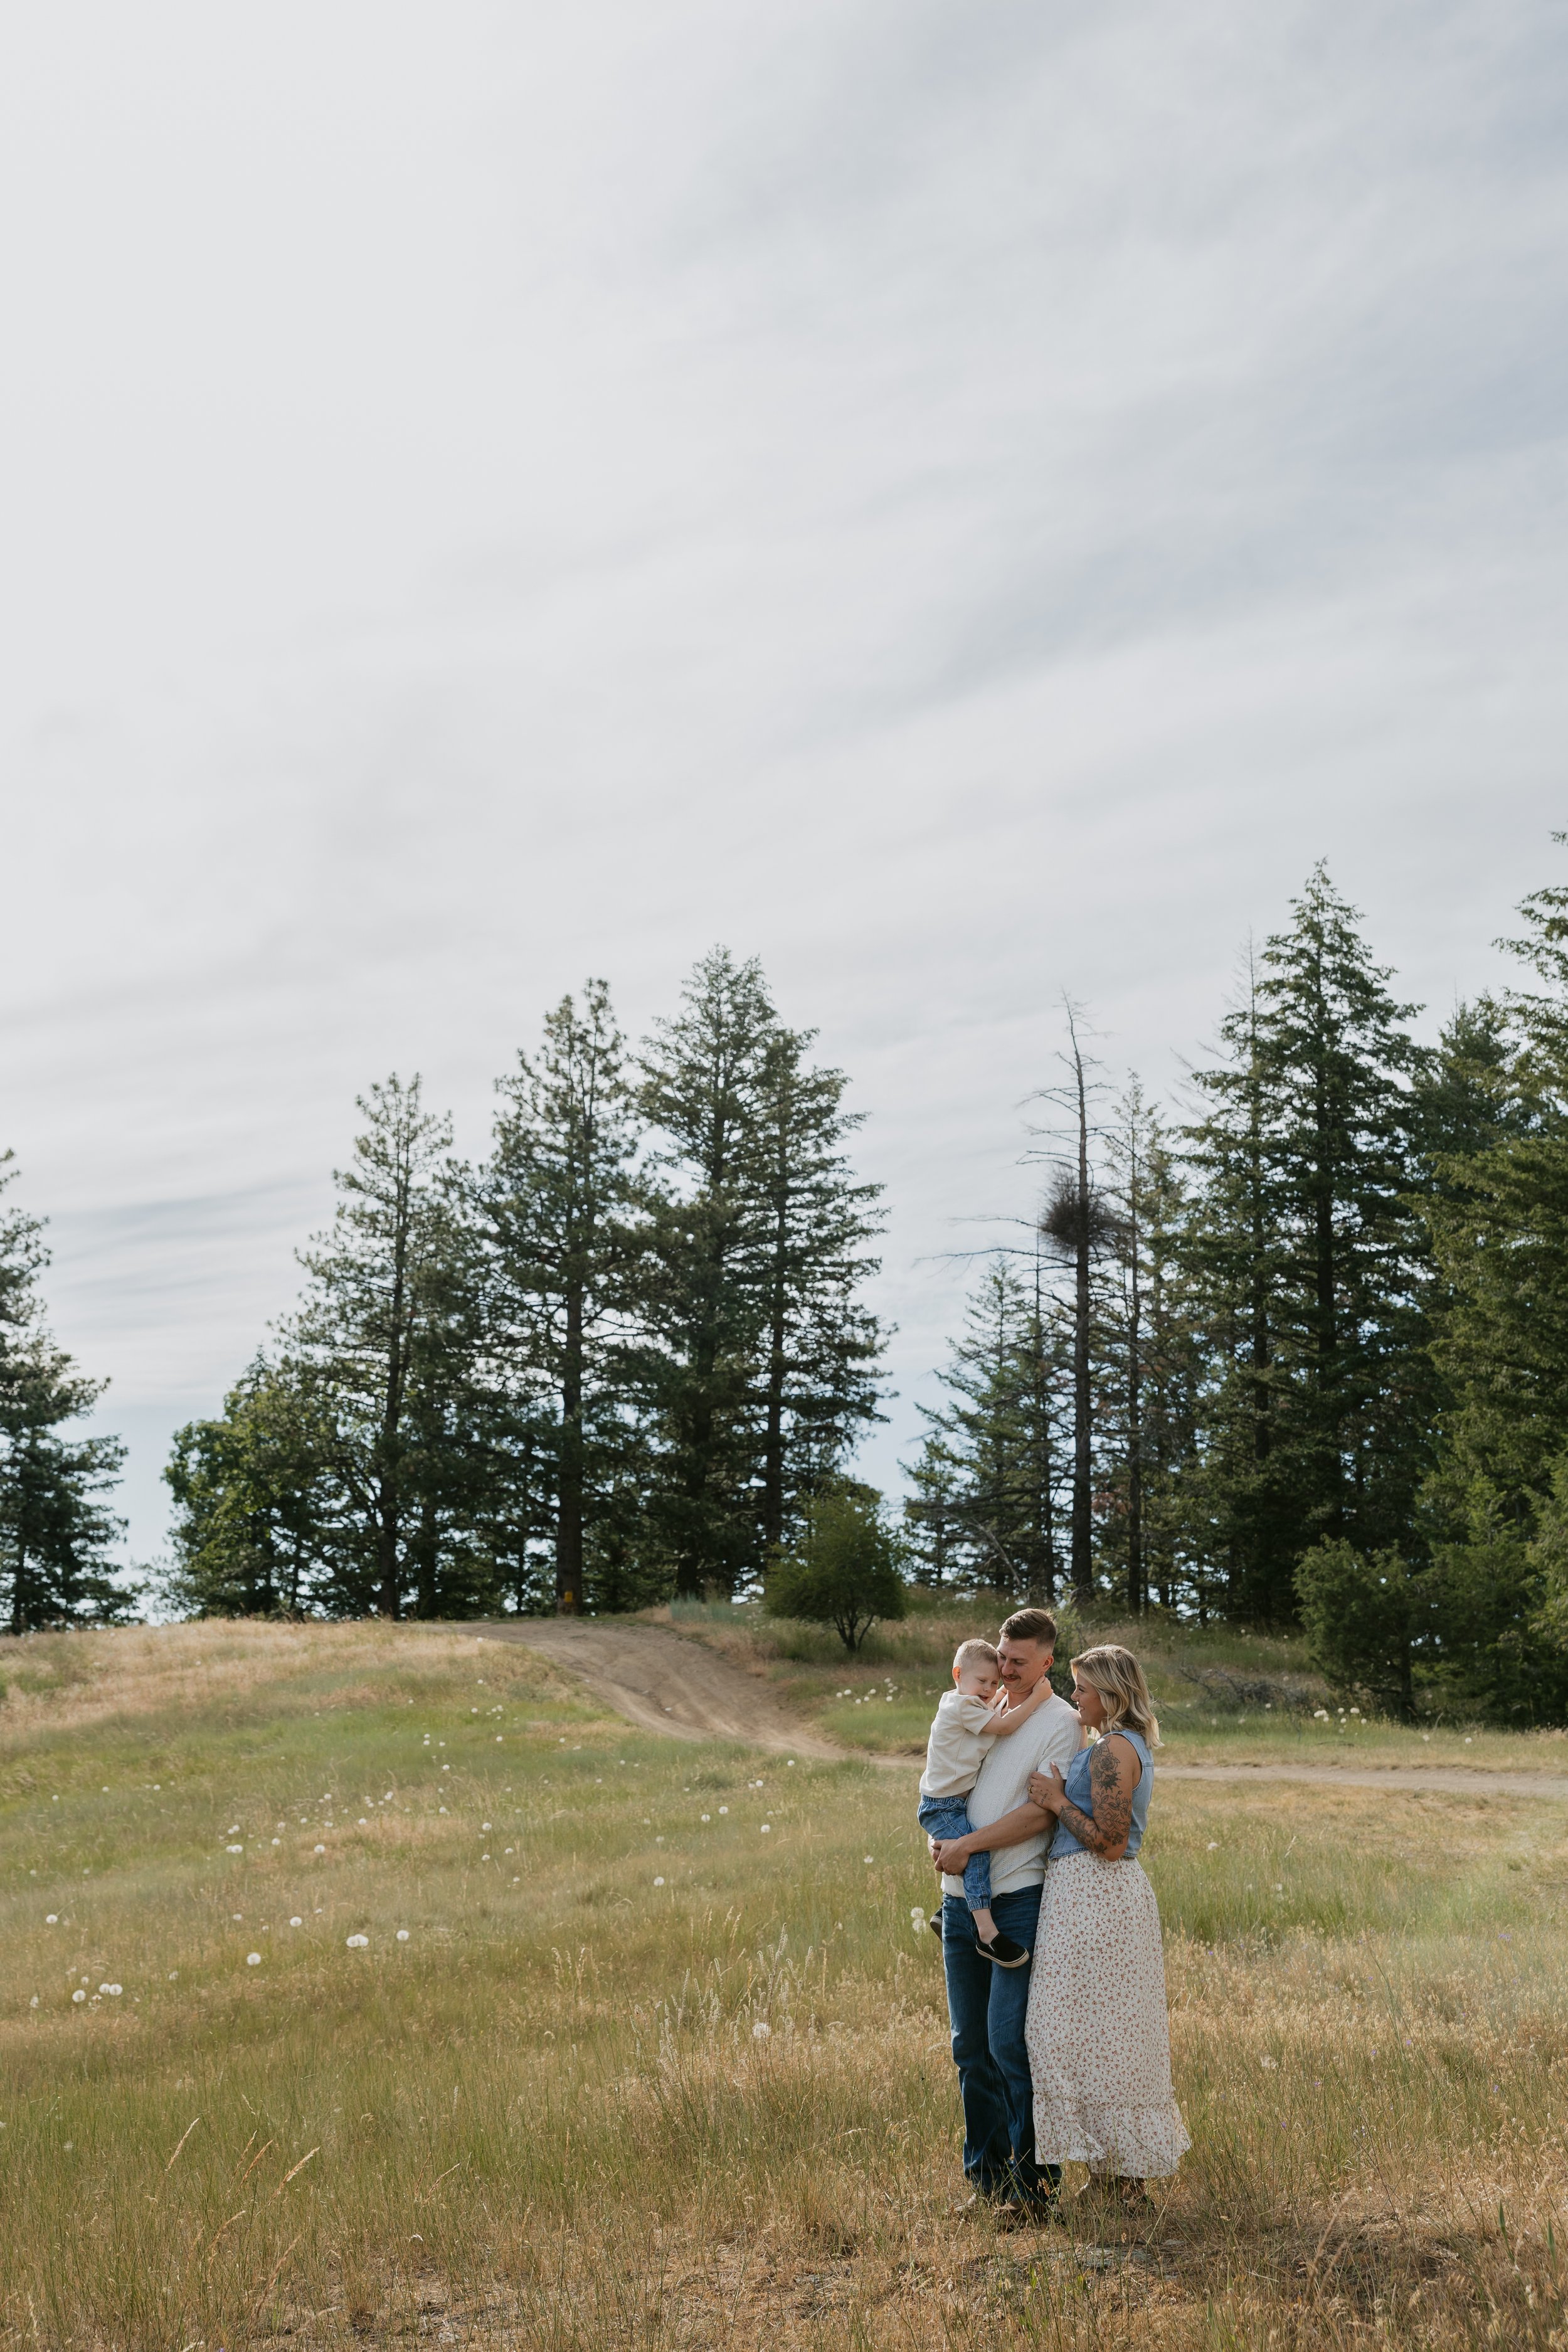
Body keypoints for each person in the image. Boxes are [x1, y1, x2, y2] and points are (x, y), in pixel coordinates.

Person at [926, 1607, 1084, 2218]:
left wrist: (967, 1847)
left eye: (1018, 1663)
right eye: (1000, 1656)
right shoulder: (982, 1702)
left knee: (1009, 2045)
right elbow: (945, 1787)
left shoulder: (1061, 1723)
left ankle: (1034, 2188)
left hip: (1017, 1897)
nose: (1005, 1671)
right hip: (961, 1900)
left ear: (1047, 1661)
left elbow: (1041, 1814)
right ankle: (988, 2183)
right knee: (968, 2047)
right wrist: (941, 1843)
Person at [1022, 1644, 1189, 2191]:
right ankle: (1109, 2174)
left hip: (1100, 1897)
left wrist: (1053, 1801)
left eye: (1084, 1689)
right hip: (1085, 1898)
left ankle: (1121, 2178)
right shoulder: (1110, 1745)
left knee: (1092, 2032)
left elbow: (1111, 1843)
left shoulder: (1114, 1749)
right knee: (1088, 2032)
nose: (1076, 1698)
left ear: (1111, 1695)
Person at [918, 1636, 1056, 1966]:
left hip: (950, 1802)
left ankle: (949, 1914)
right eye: (982, 1681)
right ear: (957, 1675)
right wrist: (1037, 1697)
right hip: (944, 1804)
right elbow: (1006, 1725)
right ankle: (986, 1933)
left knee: (966, 1849)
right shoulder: (963, 1706)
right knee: (974, 1852)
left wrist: (1003, 1693)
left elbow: (995, 1704)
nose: (988, 1689)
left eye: (994, 1683)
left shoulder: (972, 1702)